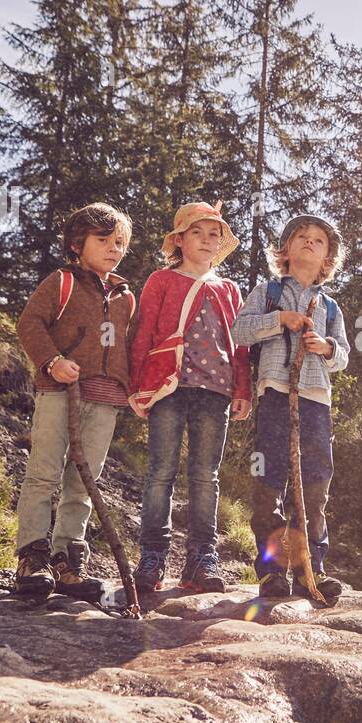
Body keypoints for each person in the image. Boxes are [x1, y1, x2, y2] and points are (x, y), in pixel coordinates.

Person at [13, 203, 137, 600]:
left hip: (106, 400)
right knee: (44, 473)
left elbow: (128, 346)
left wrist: (135, 388)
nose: (113, 248)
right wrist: (52, 361)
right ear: (76, 243)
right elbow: (29, 323)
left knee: (84, 482)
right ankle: (32, 558)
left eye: (119, 242)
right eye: (103, 240)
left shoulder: (125, 297)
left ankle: (68, 561)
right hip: (59, 392)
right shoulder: (62, 282)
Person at [127, 201, 252, 593]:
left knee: (205, 476)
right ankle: (152, 555)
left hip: (215, 392)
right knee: (160, 472)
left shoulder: (229, 289)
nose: (205, 240)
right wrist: (137, 385)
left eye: (213, 234)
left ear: (221, 245)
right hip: (169, 388)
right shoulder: (161, 281)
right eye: (196, 232)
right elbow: (143, 333)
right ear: (179, 240)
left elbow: (240, 344)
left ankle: (201, 557)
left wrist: (242, 388)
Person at [231, 214, 349, 603]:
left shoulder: (330, 307)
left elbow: (344, 353)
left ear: (328, 257)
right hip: (275, 396)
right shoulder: (267, 292)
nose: (310, 243)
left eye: (318, 240)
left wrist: (326, 348)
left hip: (315, 399)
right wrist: (278, 319)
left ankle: (309, 570)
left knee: (315, 486)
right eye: (301, 237)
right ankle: (271, 572)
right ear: (285, 250)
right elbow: (239, 331)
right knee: (270, 482)